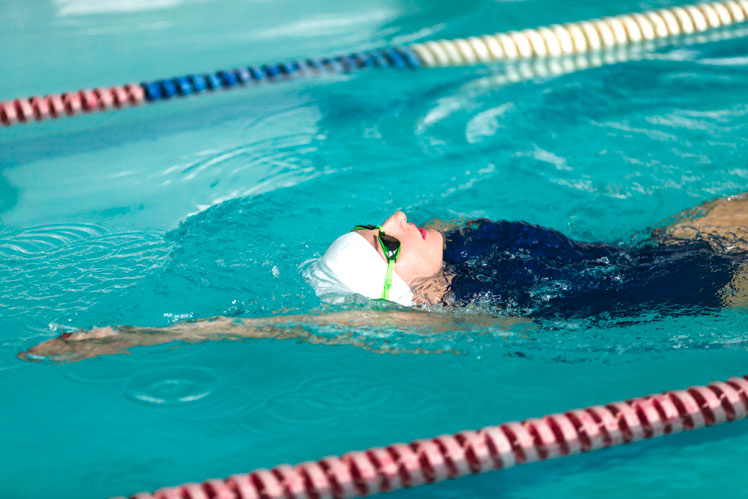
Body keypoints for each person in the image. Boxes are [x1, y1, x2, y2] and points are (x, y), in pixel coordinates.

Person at [20, 193, 748, 363]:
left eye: (381, 221)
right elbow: (293, 325)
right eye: (387, 237)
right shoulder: (473, 309)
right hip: (699, 284)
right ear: (399, 287)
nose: (400, 216)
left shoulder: (466, 249)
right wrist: (135, 338)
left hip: (661, 243)